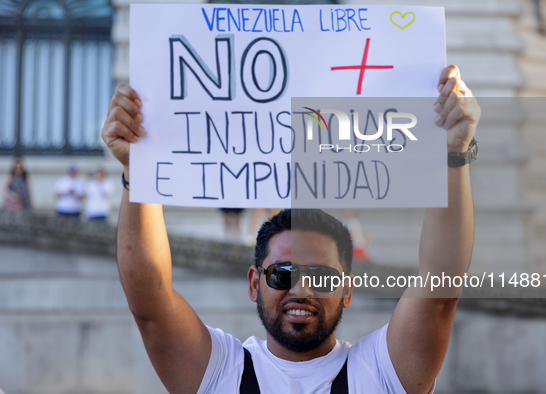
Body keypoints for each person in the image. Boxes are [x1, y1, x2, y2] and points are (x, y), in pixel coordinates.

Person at [101, 64, 480, 393]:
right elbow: (149, 300)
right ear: (254, 283)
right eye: (282, 274)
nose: (301, 289)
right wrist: (140, 171)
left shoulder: (382, 372)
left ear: (348, 289)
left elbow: (440, 289)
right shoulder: (218, 372)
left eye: (321, 276)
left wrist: (454, 154)